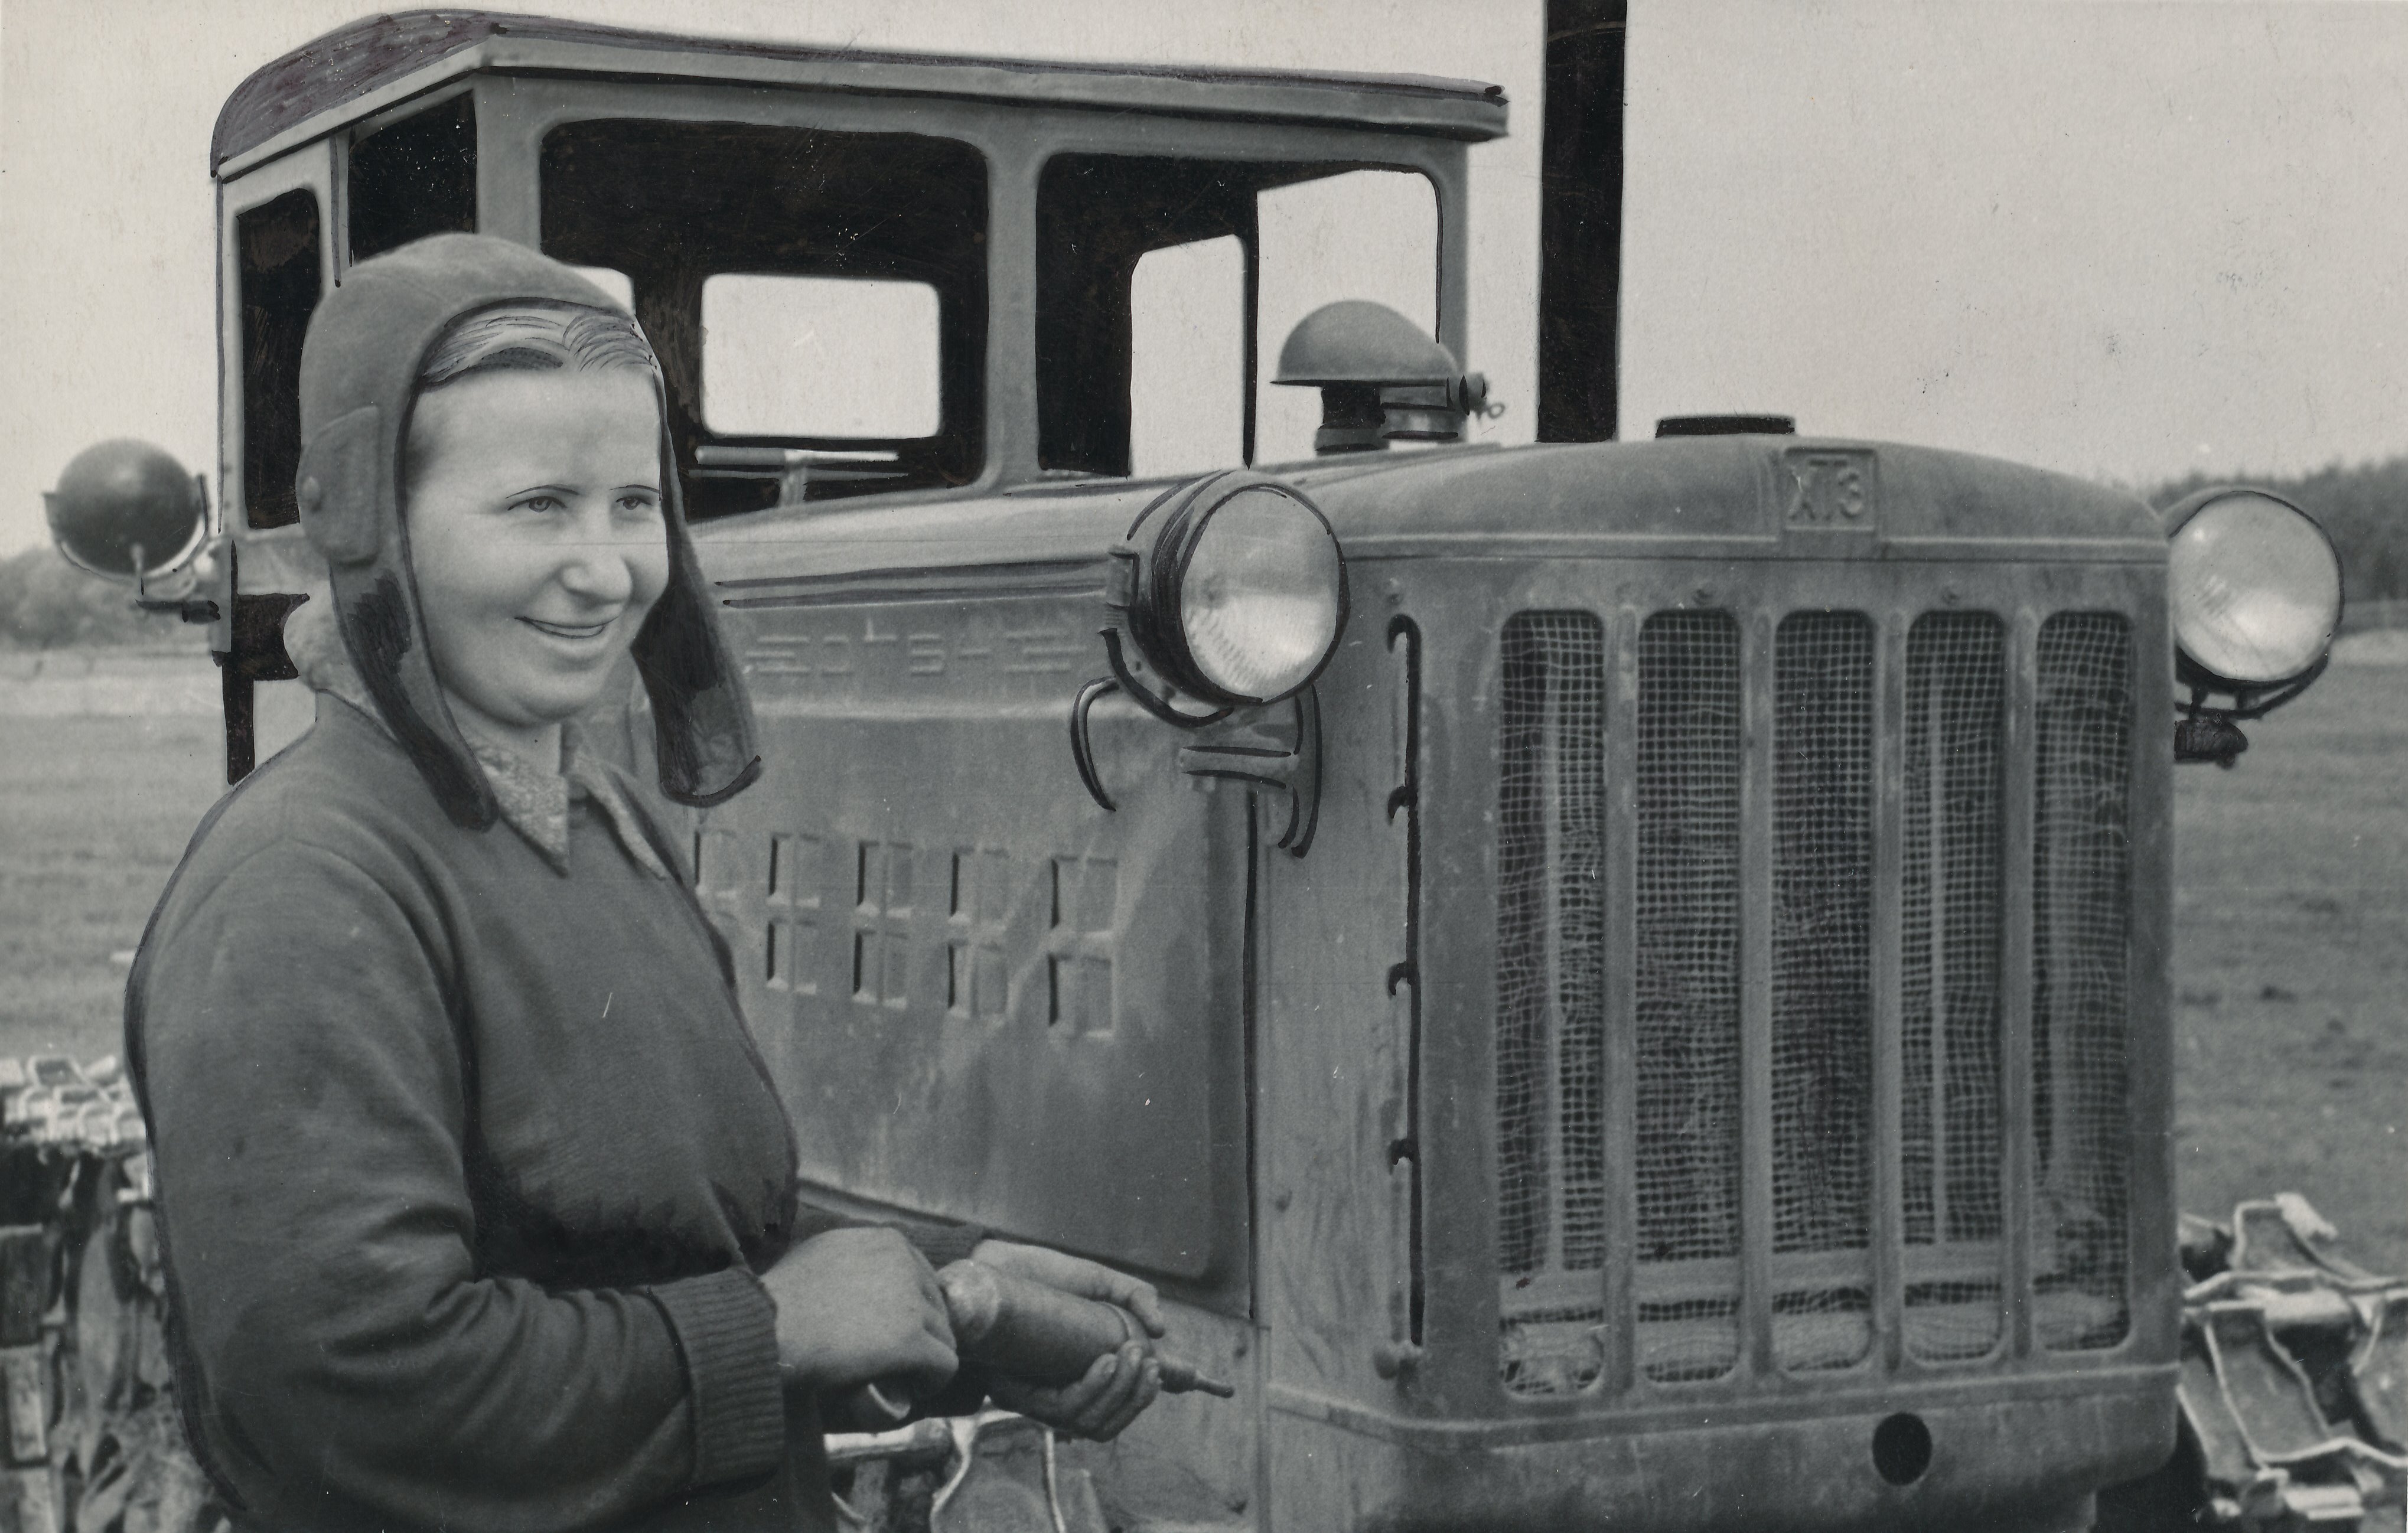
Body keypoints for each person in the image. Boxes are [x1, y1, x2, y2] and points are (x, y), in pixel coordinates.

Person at [124, 234, 1160, 1533]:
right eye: (537, 506)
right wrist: (772, 1327)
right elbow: (345, 1391)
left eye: (633, 503)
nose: (608, 568)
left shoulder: (598, 816)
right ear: (375, 526)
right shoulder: (304, 882)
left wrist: (953, 1296)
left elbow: (663, 1233)